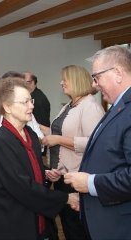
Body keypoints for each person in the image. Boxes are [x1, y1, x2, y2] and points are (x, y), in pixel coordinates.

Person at [0, 74, 79, 240]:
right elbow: (21, 186)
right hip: (10, 223)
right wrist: (66, 198)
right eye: (24, 102)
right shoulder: (1, 139)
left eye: (30, 101)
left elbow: (27, 168)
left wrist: (45, 173)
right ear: (7, 107)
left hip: (32, 217)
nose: (31, 106)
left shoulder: (30, 134)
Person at [64, 45, 131, 240]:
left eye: (97, 77)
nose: (94, 84)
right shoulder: (119, 105)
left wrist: (91, 183)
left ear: (117, 73)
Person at [41, 65, 104, 240]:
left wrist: (59, 140)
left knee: (76, 227)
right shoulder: (70, 105)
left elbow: (94, 143)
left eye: (65, 79)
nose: (61, 83)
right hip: (64, 175)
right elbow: (60, 133)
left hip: (78, 175)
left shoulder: (90, 106)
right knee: (68, 224)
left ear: (76, 80)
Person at [24, 72, 50, 156]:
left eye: (24, 82)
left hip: (38, 142)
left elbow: (40, 124)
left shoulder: (38, 99)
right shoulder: (32, 96)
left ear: (32, 82)